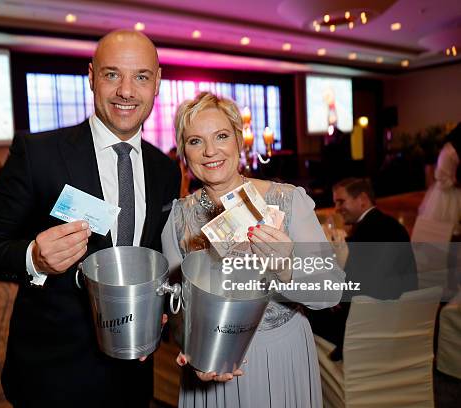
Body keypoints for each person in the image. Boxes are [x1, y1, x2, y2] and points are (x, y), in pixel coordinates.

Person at [0, 30, 180, 407]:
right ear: (92, 76)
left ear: (157, 82)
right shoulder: (39, 154)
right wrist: (33, 257)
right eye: (112, 74)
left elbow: (152, 260)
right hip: (53, 376)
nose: (126, 91)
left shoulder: (165, 170)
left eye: (141, 77)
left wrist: (157, 309)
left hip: (132, 375)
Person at [161, 91, 344, 407]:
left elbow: (331, 292)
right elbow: (176, 306)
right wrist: (193, 351)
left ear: (239, 140)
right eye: (195, 141)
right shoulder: (176, 218)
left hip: (281, 352)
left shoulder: (287, 200)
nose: (210, 151)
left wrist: (286, 267)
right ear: (183, 153)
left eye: (221, 136)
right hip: (212, 359)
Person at [308, 178, 418, 360]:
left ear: (362, 199)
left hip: (371, 324)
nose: (336, 208)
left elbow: (357, 285)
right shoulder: (387, 224)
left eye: (341, 201)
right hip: (401, 316)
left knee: (304, 312)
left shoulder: (368, 231)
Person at [419, 123, 461, 234]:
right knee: (444, 225)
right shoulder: (449, 151)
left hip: (452, 189)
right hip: (446, 192)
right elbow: (440, 176)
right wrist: (454, 182)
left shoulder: (452, 149)